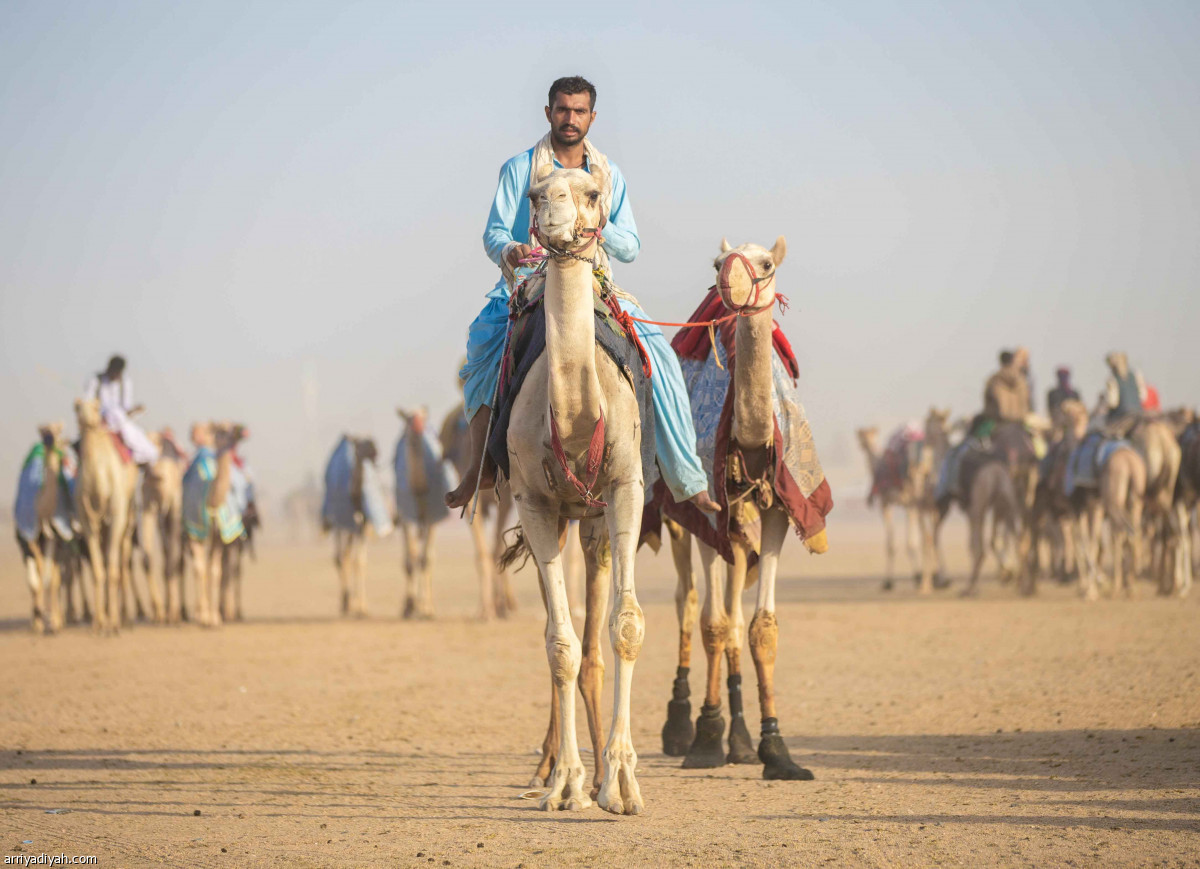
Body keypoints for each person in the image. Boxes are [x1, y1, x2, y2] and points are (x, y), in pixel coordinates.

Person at [445, 76, 718, 513]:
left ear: (592, 117)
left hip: (594, 280)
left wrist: (595, 224)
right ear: (549, 111)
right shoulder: (519, 169)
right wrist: (510, 248)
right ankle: (480, 467)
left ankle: (685, 476)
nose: (570, 118)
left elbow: (630, 245)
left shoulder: (608, 176)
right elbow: (493, 231)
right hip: (531, 278)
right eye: (562, 109)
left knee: (657, 353)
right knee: (481, 344)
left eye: (579, 111)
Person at [82, 354, 159, 465]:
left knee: (150, 452)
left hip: (120, 424)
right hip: (98, 423)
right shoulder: (95, 380)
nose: (115, 375)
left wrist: (135, 410)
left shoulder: (125, 383)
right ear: (108, 368)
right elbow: (88, 403)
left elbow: (126, 408)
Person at [1103, 351, 1147, 425]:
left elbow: (1113, 403)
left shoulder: (1112, 380)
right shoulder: (1136, 375)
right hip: (1138, 412)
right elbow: (1143, 396)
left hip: (1121, 415)